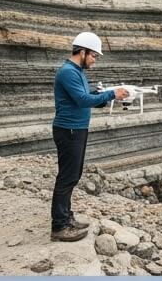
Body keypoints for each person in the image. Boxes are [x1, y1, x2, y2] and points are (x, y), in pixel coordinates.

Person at [49, 31, 127, 243]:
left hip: (77, 129)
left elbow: (86, 97)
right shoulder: (68, 72)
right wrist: (111, 94)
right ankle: (59, 226)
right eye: (93, 56)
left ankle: (66, 217)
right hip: (69, 130)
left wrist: (104, 96)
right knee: (67, 177)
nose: (94, 60)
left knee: (73, 175)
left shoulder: (77, 72)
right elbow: (82, 100)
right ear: (82, 52)